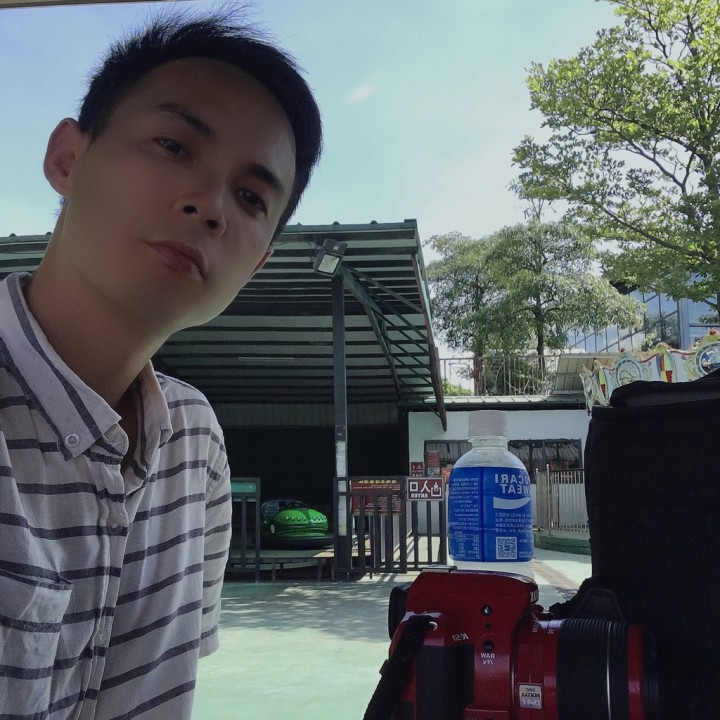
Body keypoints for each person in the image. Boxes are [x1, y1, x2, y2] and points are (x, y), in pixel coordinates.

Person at [0, 10, 322, 719]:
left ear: (257, 264)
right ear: (68, 158)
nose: (210, 206)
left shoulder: (194, 443)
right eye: (173, 145)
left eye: (250, 197)